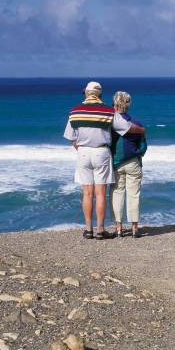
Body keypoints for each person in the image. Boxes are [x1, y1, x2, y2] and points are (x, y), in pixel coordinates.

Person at [64, 82, 146, 240]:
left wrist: (81, 149)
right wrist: (142, 130)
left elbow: (72, 138)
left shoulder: (75, 111)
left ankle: (88, 230)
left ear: (85, 93)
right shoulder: (108, 111)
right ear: (100, 95)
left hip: (83, 152)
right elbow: (127, 127)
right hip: (101, 152)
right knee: (100, 193)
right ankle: (100, 230)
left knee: (87, 193)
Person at [110, 91, 147, 238]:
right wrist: (137, 154)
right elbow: (144, 146)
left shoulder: (110, 124)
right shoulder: (136, 123)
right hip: (133, 162)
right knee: (134, 194)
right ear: (128, 104)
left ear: (115, 103)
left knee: (117, 192)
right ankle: (134, 228)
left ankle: (118, 228)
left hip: (116, 163)